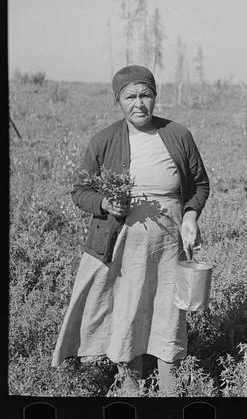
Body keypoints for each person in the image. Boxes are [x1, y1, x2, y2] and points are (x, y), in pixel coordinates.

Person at [51, 65, 210, 394]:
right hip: (123, 246)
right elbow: (80, 191)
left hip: (170, 245)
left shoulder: (177, 135)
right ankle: (130, 384)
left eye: (146, 95)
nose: (139, 103)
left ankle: (170, 385)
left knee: (170, 308)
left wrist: (191, 215)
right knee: (128, 308)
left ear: (155, 97)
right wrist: (106, 204)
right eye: (130, 96)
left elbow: (199, 185)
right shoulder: (105, 141)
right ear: (118, 101)